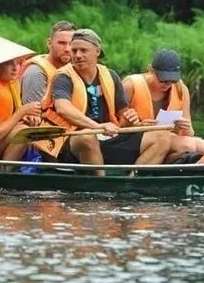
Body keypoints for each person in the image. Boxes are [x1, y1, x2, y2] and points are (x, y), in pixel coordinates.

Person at [42, 29, 172, 176]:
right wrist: (96, 126)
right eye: (74, 50)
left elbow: (122, 114)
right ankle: (102, 186)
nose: (77, 55)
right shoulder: (63, 77)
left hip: (106, 138)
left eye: (83, 50)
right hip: (71, 142)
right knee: (87, 136)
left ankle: (132, 181)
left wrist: (132, 121)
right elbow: (62, 108)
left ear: (97, 51)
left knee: (163, 136)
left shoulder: (111, 76)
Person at [123, 48, 204, 162]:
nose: (167, 84)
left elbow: (189, 133)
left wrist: (185, 126)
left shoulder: (181, 90)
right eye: (163, 79)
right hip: (137, 139)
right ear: (151, 70)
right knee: (187, 145)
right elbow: (116, 127)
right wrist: (139, 126)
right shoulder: (130, 85)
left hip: (167, 137)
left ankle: (177, 166)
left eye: (172, 80)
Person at [21, 20, 76, 104]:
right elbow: (33, 114)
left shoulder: (74, 70)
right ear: (49, 43)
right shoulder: (36, 73)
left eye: (71, 43)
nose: (67, 49)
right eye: (62, 43)